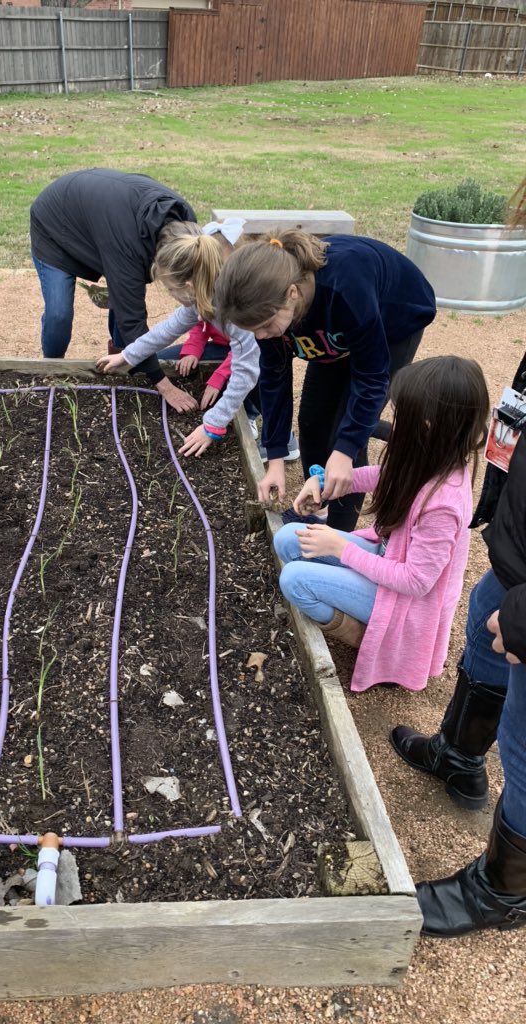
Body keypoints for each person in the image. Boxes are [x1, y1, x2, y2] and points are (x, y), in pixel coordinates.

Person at [388, 176, 526, 938]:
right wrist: (497, 489)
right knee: (481, 640)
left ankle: (502, 893)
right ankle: (456, 758)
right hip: (514, 558)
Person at [273, 355, 489, 693]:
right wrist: (323, 482)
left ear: (428, 425)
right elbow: (380, 476)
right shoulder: (431, 455)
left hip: (405, 604)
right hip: (386, 559)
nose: (393, 419)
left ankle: (374, 639)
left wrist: (341, 548)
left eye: (401, 414)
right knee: (288, 538)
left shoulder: (444, 504)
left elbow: (416, 582)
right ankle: (353, 600)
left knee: (294, 579)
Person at [214, 230, 437, 531]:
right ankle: (319, 502)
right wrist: (276, 457)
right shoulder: (268, 315)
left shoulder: (344, 287)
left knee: (344, 437)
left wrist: (344, 451)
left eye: (265, 327)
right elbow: (274, 379)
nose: (261, 337)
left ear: (292, 294)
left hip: (392, 321)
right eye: (254, 331)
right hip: (335, 332)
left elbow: (371, 378)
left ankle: (337, 534)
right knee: (312, 421)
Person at [30, 167, 199, 413]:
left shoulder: (186, 229)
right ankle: (51, 372)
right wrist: (165, 386)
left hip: (102, 222)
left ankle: (122, 363)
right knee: (59, 314)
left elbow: (129, 300)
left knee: (126, 294)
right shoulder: (128, 247)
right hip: (55, 223)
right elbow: (132, 318)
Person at [95, 225, 259, 458]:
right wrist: (127, 355)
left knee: (264, 383)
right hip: (245, 355)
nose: (170, 295)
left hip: (270, 353)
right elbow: (167, 330)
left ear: (189, 287)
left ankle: (274, 436)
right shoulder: (202, 297)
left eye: (171, 289)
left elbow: (246, 368)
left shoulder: (234, 309)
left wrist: (212, 425)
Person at [153, 218, 300, 461]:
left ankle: (266, 427)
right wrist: (192, 350)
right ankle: (243, 412)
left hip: (243, 357)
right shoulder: (207, 290)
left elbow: (245, 352)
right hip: (224, 352)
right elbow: (199, 325)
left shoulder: (240, 297)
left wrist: (219, 377)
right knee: (163, 362)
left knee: (258, 372)